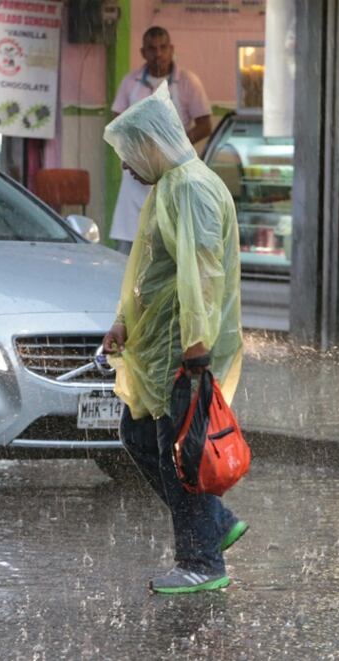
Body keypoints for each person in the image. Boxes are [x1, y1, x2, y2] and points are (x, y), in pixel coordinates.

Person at [101, 82, 245, 594]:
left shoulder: (190, 188)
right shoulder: (168, 186)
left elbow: (201, 271)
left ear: (151, 144)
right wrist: (123, 320)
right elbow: (148, 266)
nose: (124, 168)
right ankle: (216, 521)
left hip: (181, 349)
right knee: (139, 436)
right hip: (158, 344)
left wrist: (195, 344)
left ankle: (202, 562)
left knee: (179, 454)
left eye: (128, 154)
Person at [109, 26, 213, 254]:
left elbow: (205, 124)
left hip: (174, 172)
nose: (158, 54)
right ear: (142, 52)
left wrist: (175, 145)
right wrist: (134, 151)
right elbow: (116, 123)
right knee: (129, 248)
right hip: (135, 173)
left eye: (163, 48)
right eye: (152, 49)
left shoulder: (187, 82)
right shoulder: (130, 82)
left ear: (171, 49)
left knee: (170, 243)